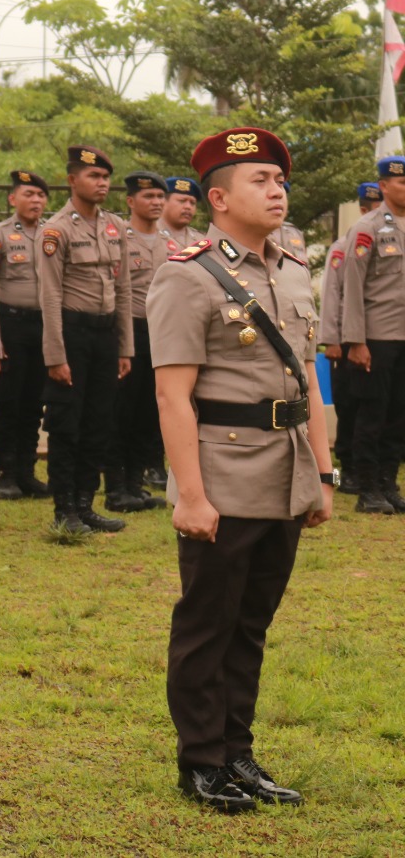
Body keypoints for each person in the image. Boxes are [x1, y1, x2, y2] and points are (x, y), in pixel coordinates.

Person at [151, 125, 332, 813]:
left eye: (279, 179)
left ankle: (237, 752)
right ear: (218, 198)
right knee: (208, 622)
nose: (277, 188)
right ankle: (200, 761)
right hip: (222, 473)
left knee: (251, 624)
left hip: (285, 471)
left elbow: (307, 381)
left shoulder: (290, 268)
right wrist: (190, 495)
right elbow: (172, 395)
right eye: (261, 180)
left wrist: (321, 474)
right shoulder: (186, 275)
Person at [38, 146, 131, 535]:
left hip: (105, 333)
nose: (102, 183)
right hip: (71, 333)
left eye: (106, 177)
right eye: (94, 176)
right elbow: (50, 296)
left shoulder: (115, 227)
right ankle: (65, 509)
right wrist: (56, 355)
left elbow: (122, 288)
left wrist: (125, 347)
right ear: (73, 180)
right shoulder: (56, 229)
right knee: (67, 423)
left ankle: (85, 504)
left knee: (99, 421)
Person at [340, 155, 405, 515]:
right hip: (376, 339)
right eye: (401, 182)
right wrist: (356, 340)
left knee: (399, 416)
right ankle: (367, 489)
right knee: (372, 415)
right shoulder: (366, 228)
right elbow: (352, 288)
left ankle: (388, 484)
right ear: (383, 186)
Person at [107, 172, 171, 513]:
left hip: (161, 332)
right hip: (128, 328)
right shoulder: (120, 239)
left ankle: (135, 485)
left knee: (149, 412)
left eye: (161, 197)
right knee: (122, 412)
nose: (156, 202)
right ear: (131, 201)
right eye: (148, 197)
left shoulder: (170, 243)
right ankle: (116, 489)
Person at [0, 170, 51, 500]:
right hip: (11, 324)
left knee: (35, 402)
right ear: (13, 199)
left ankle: (27, 472)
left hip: (44, 327)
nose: (36, 201)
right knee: (10, 401)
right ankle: (6, 474)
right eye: (29, 194)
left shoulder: (52, 234)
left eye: (41, 195)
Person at [319, 182, 383, 497]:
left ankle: (368, 466)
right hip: (346, 337)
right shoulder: (344, 246)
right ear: (363, 208)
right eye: (375, 206)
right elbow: (332, 295)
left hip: (376, 334)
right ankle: (348, 465)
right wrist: (331, 339)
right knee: (348, 402)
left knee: (372, 404)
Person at [161, 176, 207, 245]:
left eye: (192, 203)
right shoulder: (145, 234)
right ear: (163, 202)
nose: (188, 207)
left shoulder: (202, 241)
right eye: (182, 201)